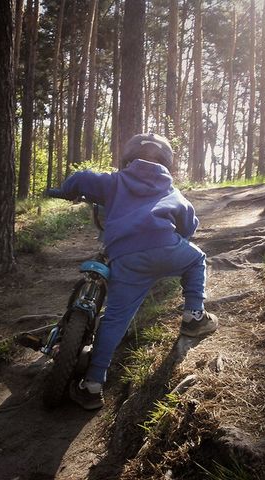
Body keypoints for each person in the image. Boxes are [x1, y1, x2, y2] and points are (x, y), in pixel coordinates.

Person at [49, 132, 218, 410]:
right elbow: (189, 225)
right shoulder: (172, 190)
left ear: (128, 157)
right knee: (196, 259)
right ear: (167, 161)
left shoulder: (115, 181)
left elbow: (81, 178)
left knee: (115, 319)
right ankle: (194, 316)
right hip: (166, 247)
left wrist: (67, 190)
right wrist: (174, 239)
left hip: (126, 258)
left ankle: (92, 385)